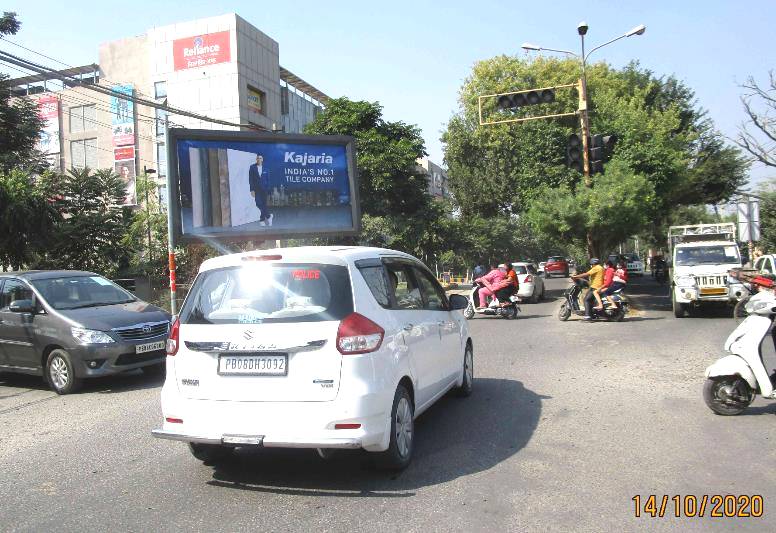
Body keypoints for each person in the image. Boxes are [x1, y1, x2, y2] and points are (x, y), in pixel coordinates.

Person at [249, 154, 273, 227]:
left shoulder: (266, 169)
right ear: (256, 159)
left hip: (264, 189)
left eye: (260, 158)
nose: (259, 159)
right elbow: (251, 179)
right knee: (258, 203)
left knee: (264, 204)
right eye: (258, 158)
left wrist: (268, 189)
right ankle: (269, 216)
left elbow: (268, 180)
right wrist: (252, 190)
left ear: (262, 159)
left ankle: (262, 220)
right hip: (256, 189)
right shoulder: (252, 167)